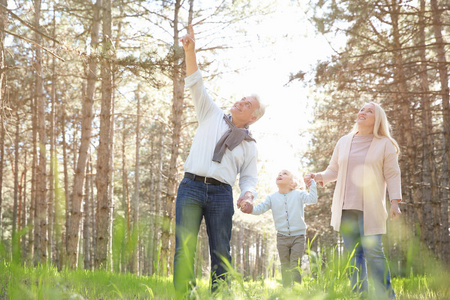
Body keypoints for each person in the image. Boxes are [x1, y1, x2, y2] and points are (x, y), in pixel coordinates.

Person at [173, 24, 265, 297]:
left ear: (253, 117)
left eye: (247, 104)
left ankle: (218, 295)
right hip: (190, 187)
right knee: (184, 247)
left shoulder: (249, 146)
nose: (240, 102)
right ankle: (185, 295)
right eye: (241, 99)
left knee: (221, 251)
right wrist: (191, 51)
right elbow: (195, 82)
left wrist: (248, 194)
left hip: (222, 194)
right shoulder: (210, 113)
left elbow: (249, 177)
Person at [305, 102, 402, 298]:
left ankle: (386, 296)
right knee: (353, 256)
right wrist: (318, 176)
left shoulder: (385, 144)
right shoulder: (344, 141)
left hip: (371, 207)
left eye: (369, 111)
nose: (363, 112)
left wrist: (394, 203)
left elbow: (392, 174)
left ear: (378, 120)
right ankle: (360, 296)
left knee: (374, 254)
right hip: (345, 207)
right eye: (361, 109)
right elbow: (334, 170)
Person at [242, 169, 317, 287]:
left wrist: (312, 183)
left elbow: (312, 199)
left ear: (293, 183)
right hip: (282, 237)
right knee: (285, 265)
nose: (280, 174)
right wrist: (250, 209)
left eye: (285, 173)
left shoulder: (299, 194)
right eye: (279, 173)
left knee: (295, 264)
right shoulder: (271, 197)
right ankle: (287, 291)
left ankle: (297, 290)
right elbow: (259, 209)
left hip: (298, 236)